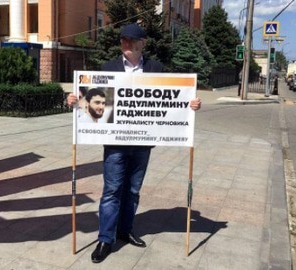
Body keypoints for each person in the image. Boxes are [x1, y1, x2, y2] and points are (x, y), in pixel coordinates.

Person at [67, 23, 202, 263]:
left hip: (142, 143)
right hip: (115, 143)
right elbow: (94, 101)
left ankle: (124, 230)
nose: (126, 44)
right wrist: (75, 100)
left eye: (131, 40)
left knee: (132, 190)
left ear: (143, 43)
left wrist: (191, 104)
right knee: (111, 191)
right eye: (123, 40)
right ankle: (105, 239)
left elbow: (172, 101)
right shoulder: (108, 68)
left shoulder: (155, 69)